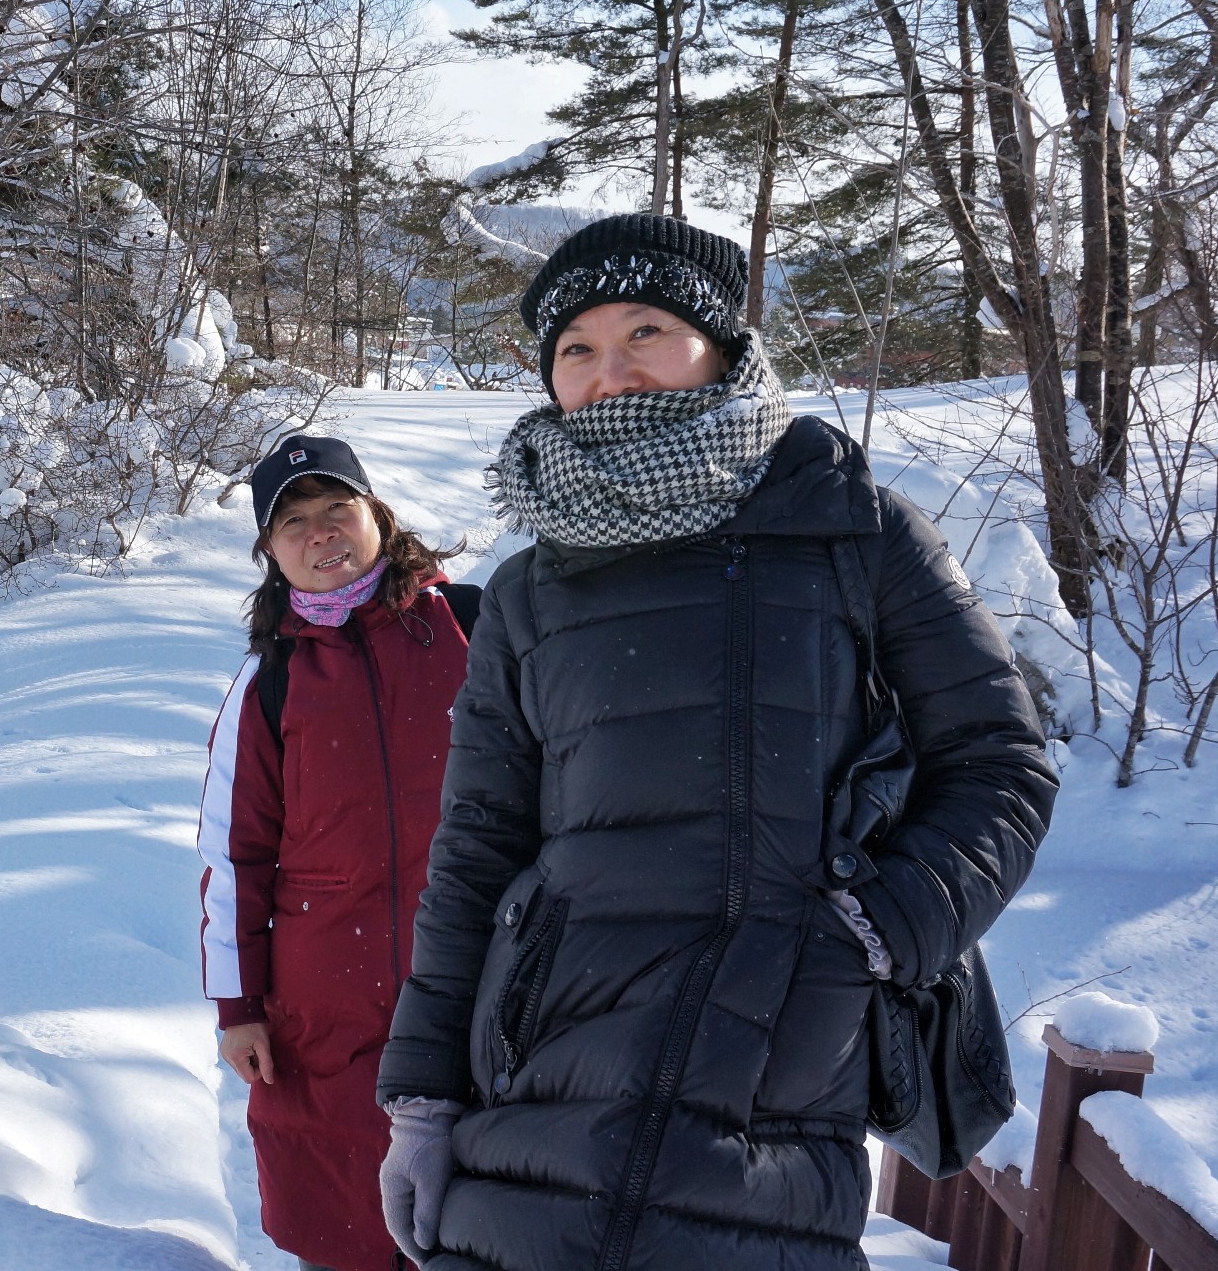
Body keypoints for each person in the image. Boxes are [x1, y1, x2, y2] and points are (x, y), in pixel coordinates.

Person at [374, 214, 1059, 1271]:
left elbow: (997, 763)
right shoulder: (526, 591)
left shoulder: (857, 532)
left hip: (778, 1068)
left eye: (644, 328)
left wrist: (872, 929)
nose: (611, 370)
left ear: (720, 344)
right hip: (542, 1067)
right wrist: (419, 1100)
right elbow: (475, 848)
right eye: (576, 348)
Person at [199, 433, 478, 1271]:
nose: (321, 534)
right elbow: (233, 855)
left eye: (336, 509)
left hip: (473, 959)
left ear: (377, 517)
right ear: (270, 553)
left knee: (491, 1195)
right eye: (293, 524)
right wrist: (237, 1004)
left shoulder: (471, 626)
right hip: (327, 993)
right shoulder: (270, 683)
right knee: (345, 1211)